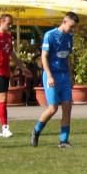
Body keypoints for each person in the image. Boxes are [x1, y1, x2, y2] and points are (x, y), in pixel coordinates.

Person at [31, 12, 78, 148]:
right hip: (52, 75)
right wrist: (50, 76)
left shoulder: (69, 37)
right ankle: (36, 131)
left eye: (74, 27)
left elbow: (68, 57)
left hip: (64, 76)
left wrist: (70, 75)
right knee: (53, 109)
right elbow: (44, 56)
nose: (72, 29)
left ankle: (63, 140)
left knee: (67, 106)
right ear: (64, 22)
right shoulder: (50, 35)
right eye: (71, 26)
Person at [0, 13, 32, 138]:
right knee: (3, 99)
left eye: (12, 24)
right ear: (2, 22)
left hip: (5, 71)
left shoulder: (9, 36)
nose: (10, 26)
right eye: (9, 23)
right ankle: (5, 127)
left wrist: (22, 67)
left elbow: (11, 53)